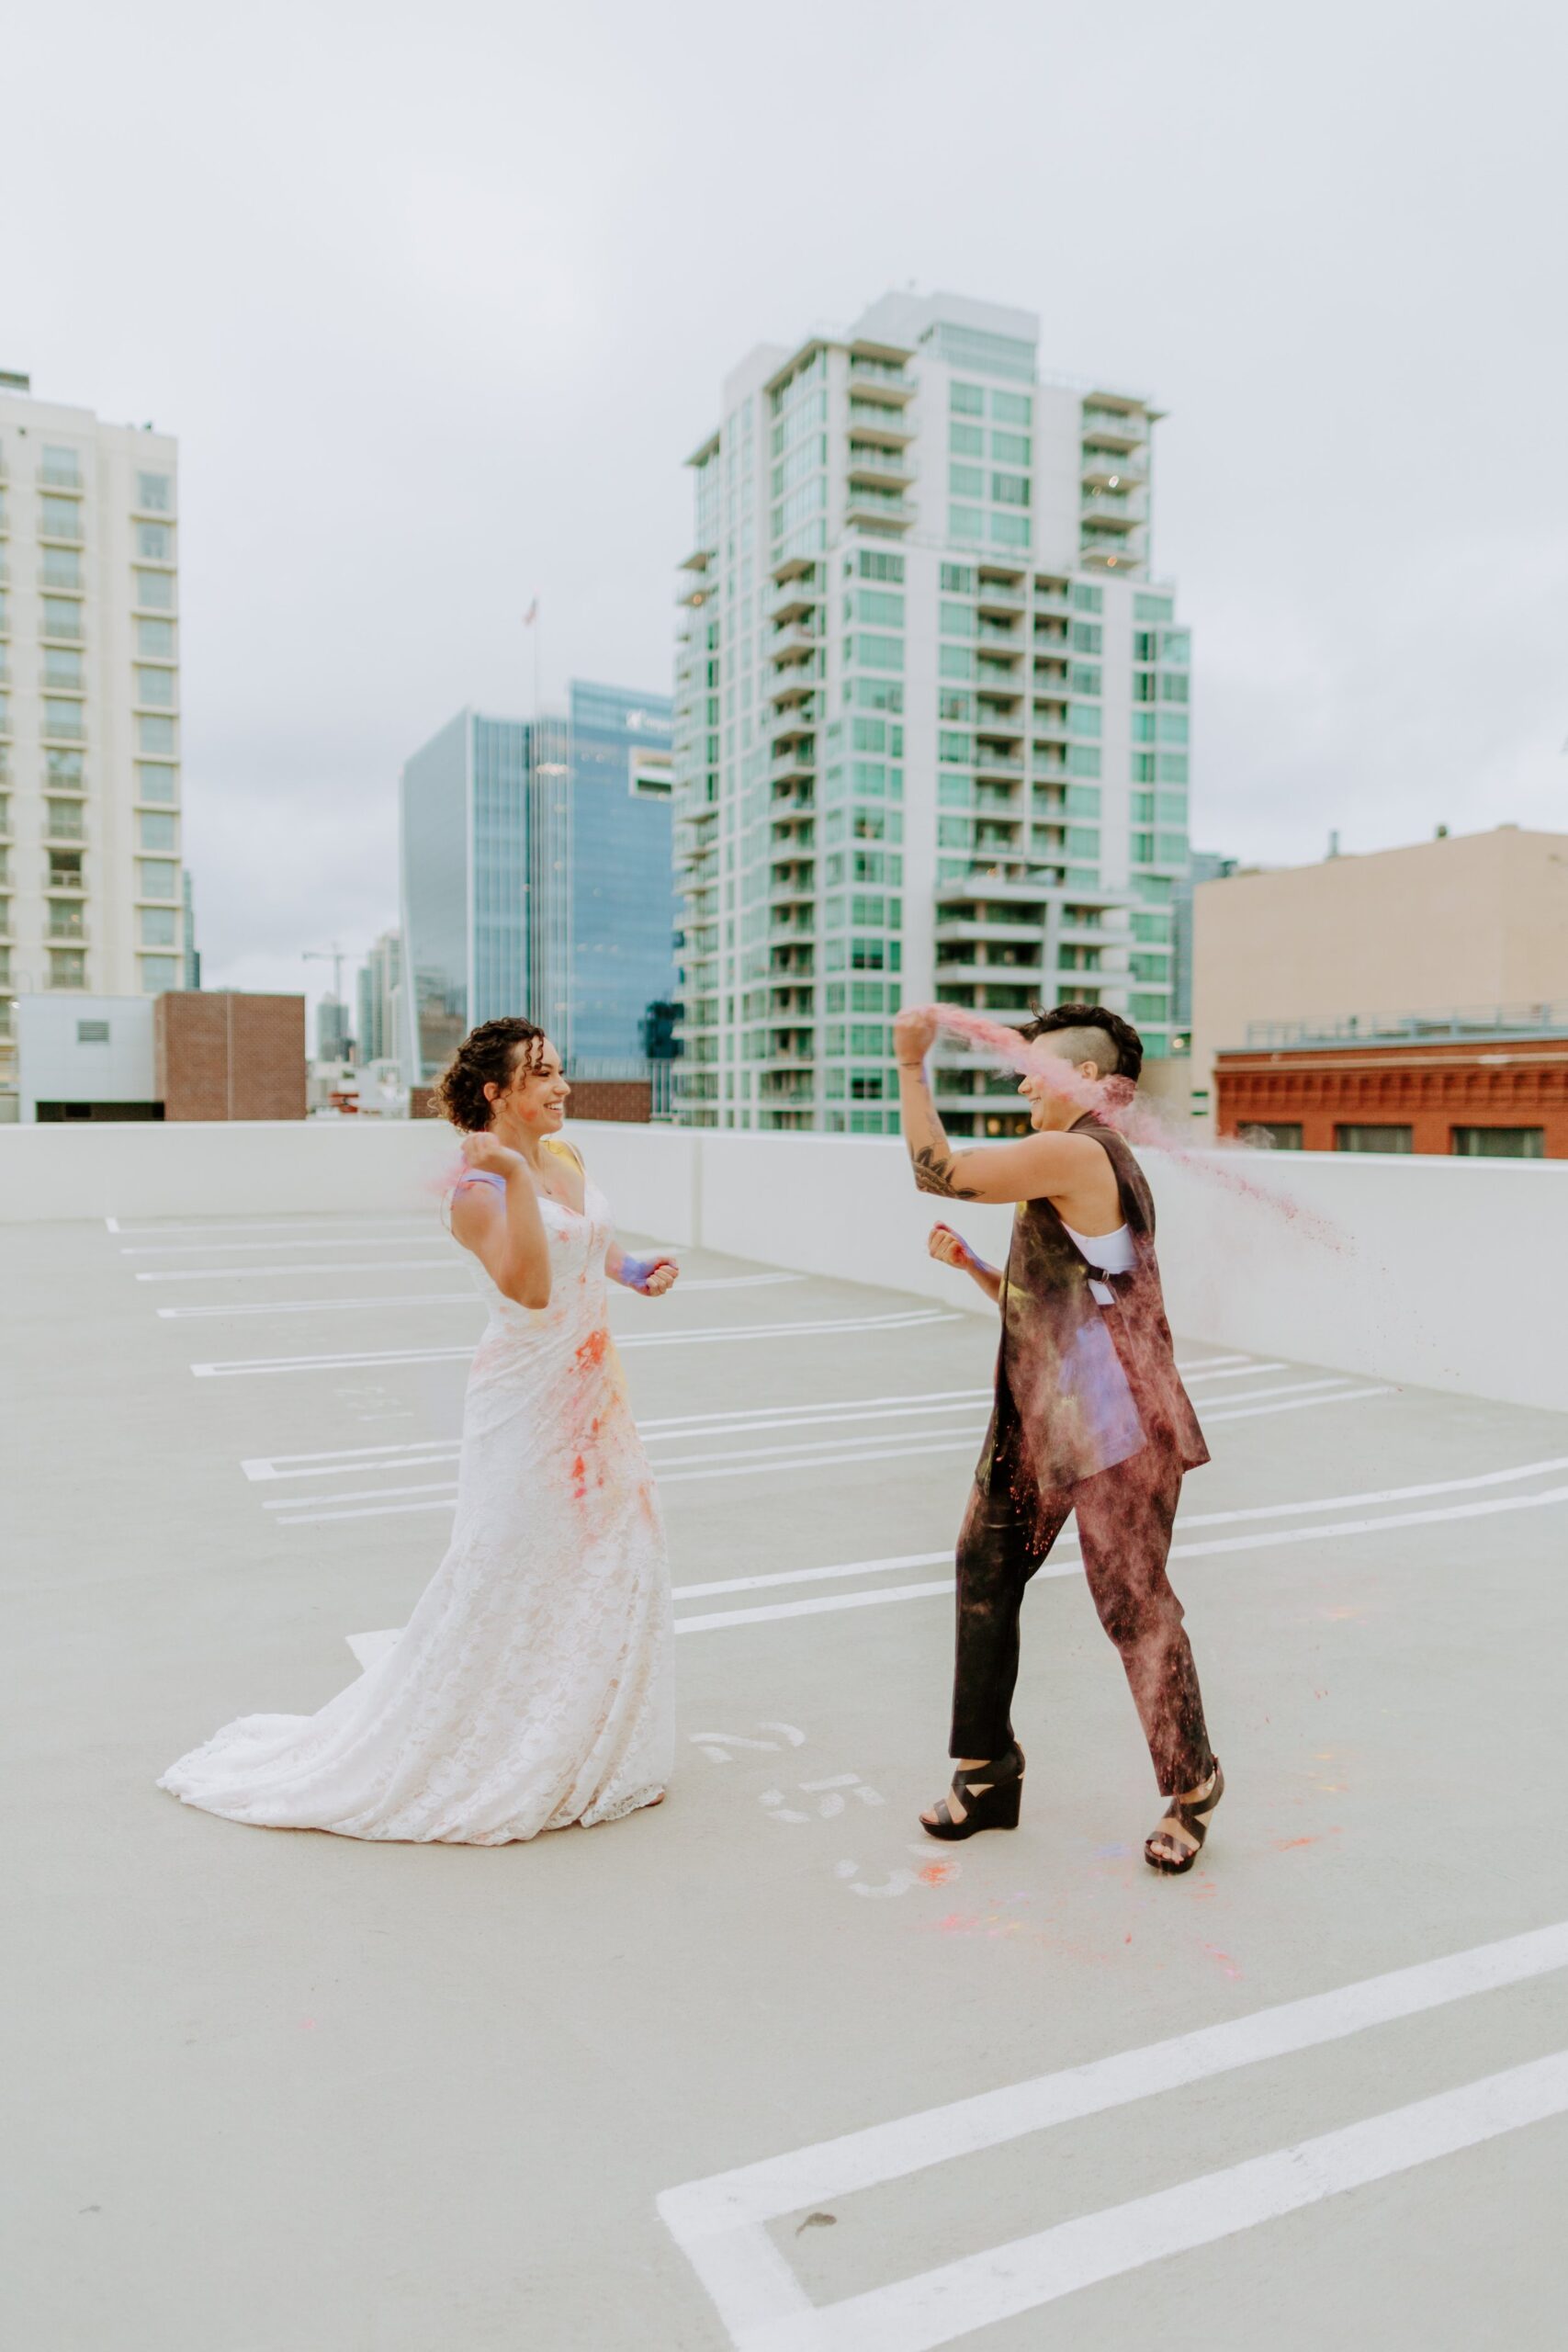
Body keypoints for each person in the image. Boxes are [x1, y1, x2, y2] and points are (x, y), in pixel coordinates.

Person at [159, 1017, 679, 1844]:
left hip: (594, 1395)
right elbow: (534, 1290)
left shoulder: (567, 1158)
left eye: (560, 1071)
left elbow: (587, 1247)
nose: (562, 1087)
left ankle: (587, 1736)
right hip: (525, 1404)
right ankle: (503, 1745)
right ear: (495, 1093)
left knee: (620, 1552)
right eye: (541, 1075)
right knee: (513, 1564)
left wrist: (631, 1270)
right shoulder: (474, 1196)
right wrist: (508, 1172)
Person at [893, 1001, 1222, 1874]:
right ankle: (988, 1771)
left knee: (1132, 1607)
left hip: (1118, 1426)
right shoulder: (1071, 1161)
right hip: (1045, 1415)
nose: (1017, 1073)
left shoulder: (1079, 1150)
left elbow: (939, 1169)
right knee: (984, 1571)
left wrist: (909, 1065)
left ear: (1089, 1084)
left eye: (1030, 1063)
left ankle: (1194, 1787)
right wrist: (974, 1269)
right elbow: (1056, 1304)